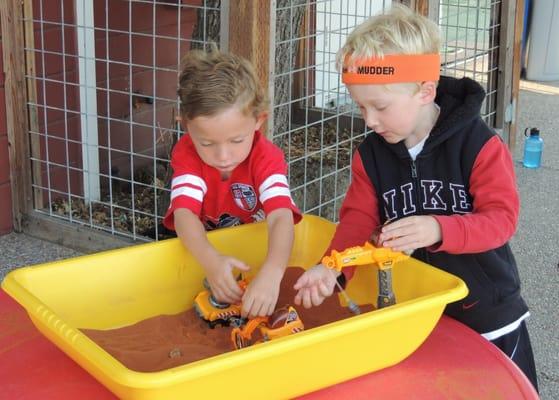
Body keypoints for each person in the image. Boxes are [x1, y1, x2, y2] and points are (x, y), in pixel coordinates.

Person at [293, 4, 538, 391]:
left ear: (424, 91)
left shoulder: (479, 145)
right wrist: (331, 268)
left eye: (380, 107)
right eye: (361, 106)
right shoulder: (370, 155)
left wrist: (438, 228)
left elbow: (501, 221)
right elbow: (356, 221)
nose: (369, 121)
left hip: (488, 314)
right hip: (417, 311)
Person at [163, 47, 301, 318]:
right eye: (207, 143)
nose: (223, 156)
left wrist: (273, 272)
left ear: (258, 121)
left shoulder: (266, 157)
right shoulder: (187, 154)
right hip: (205, 249)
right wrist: (211, 262)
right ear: (186, 127)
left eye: (236, 141)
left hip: (256, 252)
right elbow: (184, 214)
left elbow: (280, 217)